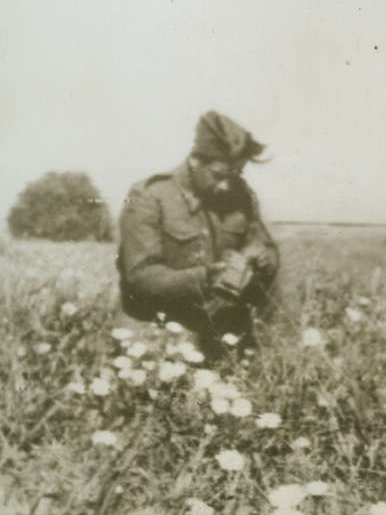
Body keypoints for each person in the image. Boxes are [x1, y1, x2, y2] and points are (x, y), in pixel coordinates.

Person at [116, 111, 280, 359]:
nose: (227, 184)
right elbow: (142, 277)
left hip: (218, 335)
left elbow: (264, 246)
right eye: (219, 175)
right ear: (194, 161)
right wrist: (205, 278)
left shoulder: (240, 196)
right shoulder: (149, 195)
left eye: (236, 174)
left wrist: (263, 259)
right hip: (154, 336)